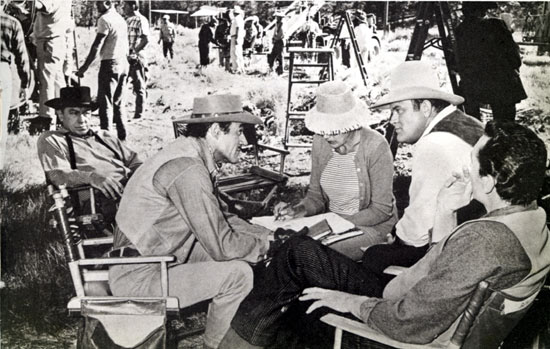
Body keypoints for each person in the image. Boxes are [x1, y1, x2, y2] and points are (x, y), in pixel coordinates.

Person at [220, 121, 550, 349]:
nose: (466, 169)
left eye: (472, 161)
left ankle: (232, 345)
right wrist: (445, 212)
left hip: (396, 334)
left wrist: (348, 301)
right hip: (410, 299)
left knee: (294, 289)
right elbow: (446, 271)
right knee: (299, 251)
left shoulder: (488, 242)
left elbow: (409, 323)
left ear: (490, 182)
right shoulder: (532, 220)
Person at [109, 94, 273, 349]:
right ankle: (217, 345)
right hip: (139, 277)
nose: (242, 141)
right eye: (239, 132)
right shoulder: (188, 169)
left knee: (240, 261)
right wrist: (266, 247)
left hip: (160, 259)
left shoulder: (188, 155)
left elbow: (220, 218)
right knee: (238, 274)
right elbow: (221, 245)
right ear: (217, 130)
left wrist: (265, 233)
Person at [361, 61, 485, 285]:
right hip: (477, 239)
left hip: (458, 256)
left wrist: (396, 238)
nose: (392, 120)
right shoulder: (469, 123)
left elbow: (418, 229)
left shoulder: (434, 145)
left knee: (372, 257)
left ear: (426, 108)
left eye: (399, 110)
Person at [273, 81, 398, 261]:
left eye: (332, 129)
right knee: (282, 245)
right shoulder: (321, 142)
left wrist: (333, 224)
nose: (326, 135)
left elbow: (380, 210)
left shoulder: (375, 146)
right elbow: (316, 196)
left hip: (371, 228)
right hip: (331, 225)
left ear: (350, 124)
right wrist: (298, 210)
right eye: (323, 129)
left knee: (308, 255)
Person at [37, 86, 142, 223]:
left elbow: (135, 162)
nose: (82, 120)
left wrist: (141, 177)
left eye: (86, 113)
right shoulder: (52, 139)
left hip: (132, 189)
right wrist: (91, 177)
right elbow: (57, 175)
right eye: (74, 113)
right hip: (98, 199)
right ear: (61, 115)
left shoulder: (104, 136)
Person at [455, 1, 527, 122]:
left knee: (475, 122)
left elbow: (458, 62)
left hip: (473, 85)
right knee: (505, 123)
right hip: (500, 85)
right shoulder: (495, 25)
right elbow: (513, 57)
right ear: (480, 11)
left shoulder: (460, 30)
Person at [77, 0, 129, 141]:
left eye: (98, 3)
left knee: (105, 102)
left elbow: (96, 46)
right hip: (123, 64)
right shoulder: (120, 19)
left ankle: (107, 139)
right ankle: (123, 138)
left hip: (110, 63)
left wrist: (84, 67)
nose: (96, 6)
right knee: (118, 103)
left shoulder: (104, 19)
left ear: (107, 2)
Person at [28, 0, 71, 133]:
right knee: (57, 81)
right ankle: (64, 115)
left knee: (46, 81)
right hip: (56, 40)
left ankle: (46, 118)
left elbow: (41, 6)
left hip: (49, 41)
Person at [1, 9, 30, 168]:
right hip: (2, 70)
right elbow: (22, 56)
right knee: (1, 122)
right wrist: (25, 83)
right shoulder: (12, 23)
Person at [123, 0, 149, 120]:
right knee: (121, 85)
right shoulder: (127, 20)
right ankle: (119, 113)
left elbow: (145, 39)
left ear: (133, 6)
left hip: (136, 58)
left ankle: (139, 114)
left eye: (126, 5)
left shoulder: (140, 19)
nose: (124, 8)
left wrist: (134, 52)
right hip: (125, 57)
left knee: (139, 86)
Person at [230, 6, 245, 74]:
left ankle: (237, 69)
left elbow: (238, 28)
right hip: (237, 36)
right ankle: (240, 68)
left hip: (236, 36)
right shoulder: (240, 18)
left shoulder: (237, 19)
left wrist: (236, 38)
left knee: (235, 53)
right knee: (238, 53)